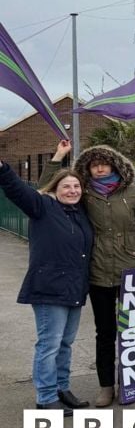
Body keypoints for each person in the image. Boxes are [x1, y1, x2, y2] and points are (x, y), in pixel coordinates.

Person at [44, 140, 135, 407]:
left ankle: (130, 384)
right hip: (98, 272)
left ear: (114, 165)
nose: (99, 169)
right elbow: (47, 187)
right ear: (88, 169)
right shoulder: (83, 194)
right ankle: (106, 386)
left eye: (104, 164)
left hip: (132, 271)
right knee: (105, 332)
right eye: (94, 166)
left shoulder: (134, 192)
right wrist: (58, 156)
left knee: (131, 330)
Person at [1, 158, 93, 415]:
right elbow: (17, 189)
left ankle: (62, 389)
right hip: (49, 289)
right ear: (55, 189)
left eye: (76, 186)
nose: (73, 190)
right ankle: (45, 396)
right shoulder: (42, 206)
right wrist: (3, 168)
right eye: (66, 186)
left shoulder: (80, 212)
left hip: (74, 288)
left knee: (65, 343)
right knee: (49, 344)